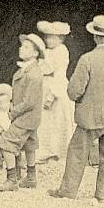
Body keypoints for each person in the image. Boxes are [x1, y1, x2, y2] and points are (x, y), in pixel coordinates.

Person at [48, 15, 104, 203]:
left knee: (77, 152)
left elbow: (74, 91)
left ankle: (68, 191)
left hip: (89, 117)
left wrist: (81, 100)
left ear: (95, 36)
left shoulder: (87, 59)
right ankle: (102, 196)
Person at [0, 33, 46, 192]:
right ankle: (31, 177)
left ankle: (12, 180)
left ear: (35, 53)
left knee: (6, 143)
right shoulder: (28, 70)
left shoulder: (33, 74)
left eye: (26, 47)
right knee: (30, 144)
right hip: (31, 117)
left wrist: (11, 113)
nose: (21, 48)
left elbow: (29, 102)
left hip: (26, 116)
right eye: (22, 45)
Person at [35, 21, 74, 161]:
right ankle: (45, 150)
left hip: (56, 88)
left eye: (52, 37)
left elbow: (60, 74)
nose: (48, 40)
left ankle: (59, 151)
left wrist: (52, 95)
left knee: (57, 120)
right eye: (47, 37)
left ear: (61, 38)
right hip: (44, 86)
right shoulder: (45, 52)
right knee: (45, 121)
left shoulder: (61, 51)